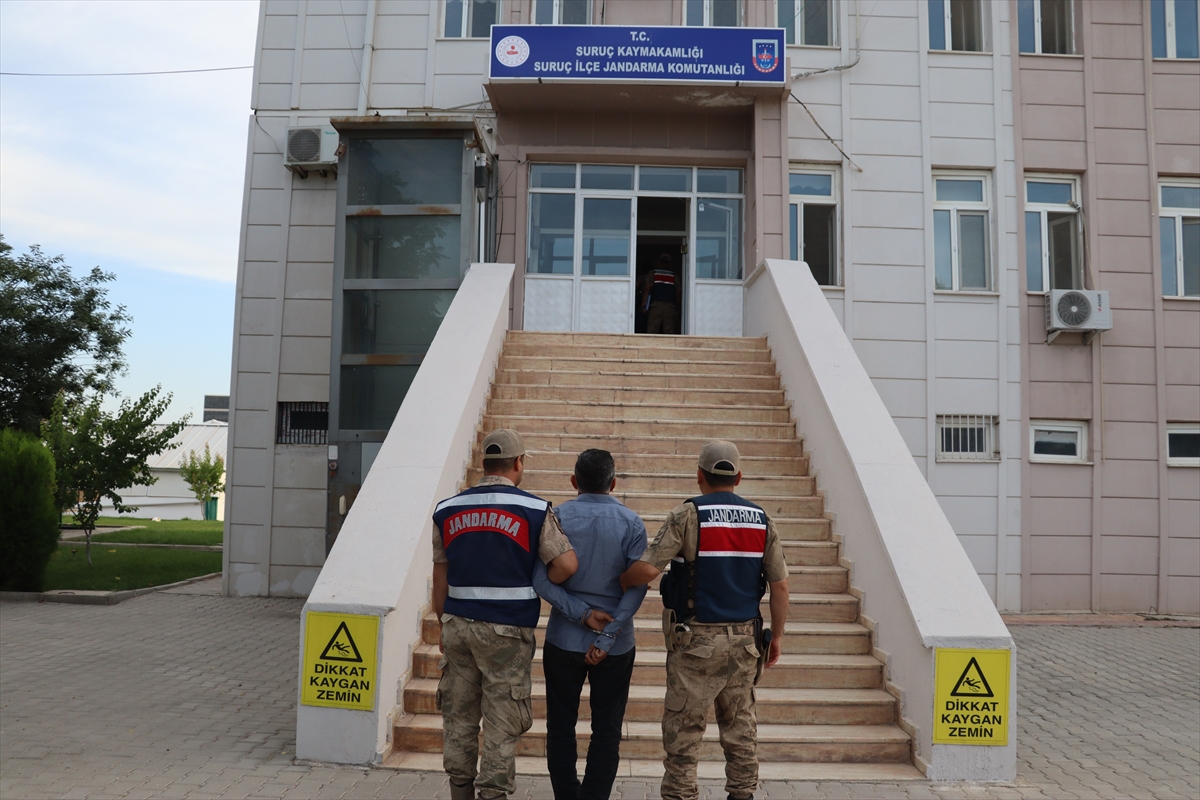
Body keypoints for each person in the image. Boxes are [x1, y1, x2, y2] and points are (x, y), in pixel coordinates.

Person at [619, 440, 789, 800]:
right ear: (738, 477)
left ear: (699, 475)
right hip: (745, 643)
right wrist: (776, 638)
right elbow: (780, 587)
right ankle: (742, 794)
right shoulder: (762, 520)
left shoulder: (687, 516)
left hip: (695, 642)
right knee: (741, 732)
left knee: (684, 735)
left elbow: (648, 569)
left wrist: (621, 579)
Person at [431, 429, 579, 800]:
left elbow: (440, 576)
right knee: (501, 720)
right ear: (518, 464)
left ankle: (459, 791)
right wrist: (535, 578)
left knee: (459, 718)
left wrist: (442, 626)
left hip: (457, 626)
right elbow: (565, 565)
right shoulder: (533, 509)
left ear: (484, 464)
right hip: (508, 633)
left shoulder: (447, 509)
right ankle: (493, 794)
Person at [531, 449, 649, 800]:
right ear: (613, 483)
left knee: (561, 726)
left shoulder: (556, 517)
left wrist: (582, 613)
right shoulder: (632, 522)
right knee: (607, 728)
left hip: (564, 640)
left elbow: (541, 581)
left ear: (573, 482)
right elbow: (638, 584)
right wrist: (609, 634)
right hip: (616, 645)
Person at [644, 252, 680, 334]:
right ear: (670, 264)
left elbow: (647, 289)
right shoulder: (674, 276)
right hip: (670, 307)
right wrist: (677, 307)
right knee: (669, 332)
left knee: (652, 331)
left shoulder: (652, 273)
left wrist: (644, 306)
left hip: (655, 306)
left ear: (658, 262)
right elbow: (678, 293)